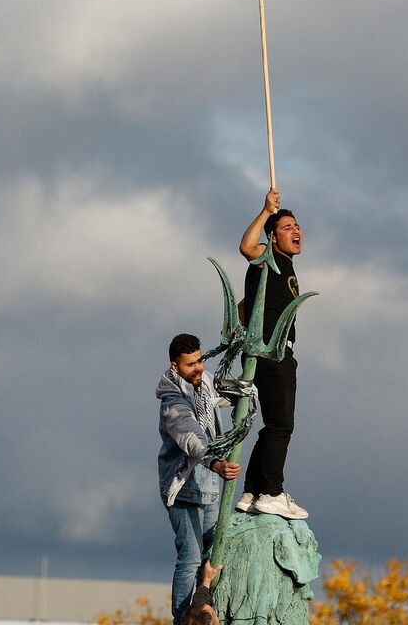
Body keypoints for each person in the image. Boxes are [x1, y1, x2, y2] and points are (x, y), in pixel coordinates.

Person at [235, 187, 308, 520]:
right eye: (287, 228)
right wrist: (266, 211)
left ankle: (254, 490)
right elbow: (247, 247)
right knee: (282, 425)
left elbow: (243, 308)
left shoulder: (285, 267)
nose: (296, 232)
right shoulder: (268, 258)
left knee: (271, 426)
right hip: (274, 353)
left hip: (268, 351)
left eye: (296, 227)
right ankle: (273, 492)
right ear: (273, 238)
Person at [159, 333, 241, 625]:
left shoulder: (202, 384)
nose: (198, 368)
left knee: (212, 558)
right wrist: (215, 462)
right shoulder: (173, 403)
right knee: (191, 558)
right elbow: (191, 436)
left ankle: (209, 612)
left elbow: (214, 400)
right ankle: (183, 619)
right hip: (183, 489)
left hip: (208, 488)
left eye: (200, 360)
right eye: (190, 364)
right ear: (174, 366)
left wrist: (239, 394)